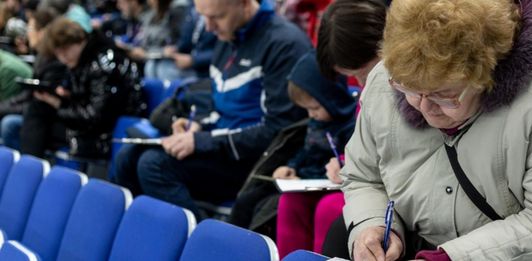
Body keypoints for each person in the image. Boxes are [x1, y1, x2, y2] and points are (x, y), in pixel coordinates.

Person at [330, 0, 532, 260]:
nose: (424, 108)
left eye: (444, 95)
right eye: (409, 89)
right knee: (339, 233)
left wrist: (452, 257)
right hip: (446, 242)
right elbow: (362, 176)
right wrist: (373, 226)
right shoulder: (388, 75)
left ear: (487, 72)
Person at [113, 0, 311, 220]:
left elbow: (279, 134)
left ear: (245, 4)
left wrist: (202, 141)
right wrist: (198, 124)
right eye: (204, 17)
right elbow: (220, 106)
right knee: (127, 158)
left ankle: (199, 247)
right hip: (223, 146)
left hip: (255, 160)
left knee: (154, 165)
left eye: (216, 17)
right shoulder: (228, 35)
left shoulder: (284, 45)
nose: (208, 27)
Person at [275, 0, 386, 257]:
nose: (359, 84)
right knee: (292, 201)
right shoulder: (367, 94)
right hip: (369, 180)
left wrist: (355, 169)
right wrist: (346, 163)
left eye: (361, 73)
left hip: (392, 188)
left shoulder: (411, 93)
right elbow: (366, 149)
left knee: (329, 210)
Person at [228, 50, 356, 237]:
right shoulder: (317, 121)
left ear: (332, 98)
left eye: (315, 108)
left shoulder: (349, 126)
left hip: (319, 185)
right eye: (307, 110)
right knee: (246, 201)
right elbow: (305, 152)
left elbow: (337, 168)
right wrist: (291, 167)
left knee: (267, 209)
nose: (311, 115)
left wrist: (303, 180)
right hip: (298, 181)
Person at [20, 17, 145, 158]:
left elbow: (96, 119)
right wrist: (68, 97)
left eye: (65, 49)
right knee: (34, 112)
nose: (62, 57)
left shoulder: (102, 64)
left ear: (78, 40)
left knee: (32, 120)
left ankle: (29, 168)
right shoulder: (84, 60)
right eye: (57, 53)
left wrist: (58, 103)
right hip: (92, 127)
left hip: (103, 135)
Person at [0, 10, 66, 151]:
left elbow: (38, 102)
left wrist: (4, 109)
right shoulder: (43, 57)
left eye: (30, 29)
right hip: (36, 112)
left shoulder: (57, 62)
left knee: (9, 123)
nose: (27, 34)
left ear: (42, 32)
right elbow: (29, 94)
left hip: (50, 119)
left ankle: (22, 167)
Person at [125, 0, 189, 80]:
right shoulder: (154, 14)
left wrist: (147, 54)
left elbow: (178, 45)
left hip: (178, 59)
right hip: (157, 56)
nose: (149, 2)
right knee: (151, 66)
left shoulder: (177, 10)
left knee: (159, 68)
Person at [161, 5, 217, 79]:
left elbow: (222, 50)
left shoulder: (215, 7)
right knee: (156, 66)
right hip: (191, 61)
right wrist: (176, 49)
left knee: (164, 70)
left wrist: (194, 60)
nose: (209, 27)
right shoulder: (191, 8)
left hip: (206, 69)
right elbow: (185, 39)